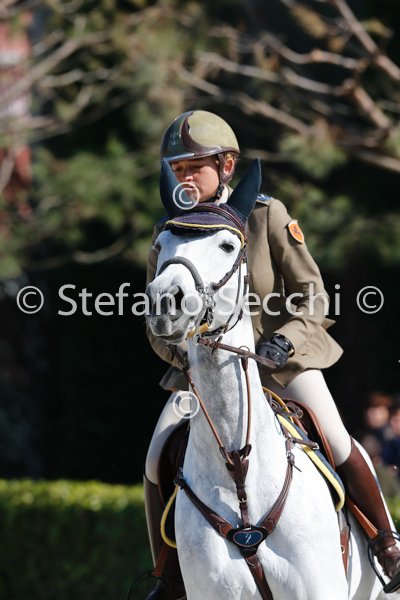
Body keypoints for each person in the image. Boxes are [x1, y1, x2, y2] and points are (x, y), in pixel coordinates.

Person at [143, 110, 400, 599]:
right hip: (205, 371)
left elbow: (313, 295)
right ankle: (168, 576)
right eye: (177, 169)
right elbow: (155, 320)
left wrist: (285, 341)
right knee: (157, 456)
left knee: (336, 437)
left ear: (226, 165)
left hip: (281, 363)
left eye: (195, 166)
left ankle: (387, 544)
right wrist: (184, 357)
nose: (185, 177)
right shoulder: (168, 231)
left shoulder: (265, 214)